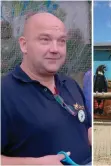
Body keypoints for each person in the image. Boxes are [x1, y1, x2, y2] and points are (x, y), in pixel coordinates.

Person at [1, 12, 92, 165]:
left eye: (61, 41)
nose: (55, 49)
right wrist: (34, 164)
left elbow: (85, 126)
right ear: (24, 45)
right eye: (45, 40)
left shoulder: (70, 84)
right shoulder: (4, 92)